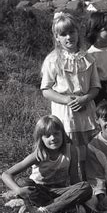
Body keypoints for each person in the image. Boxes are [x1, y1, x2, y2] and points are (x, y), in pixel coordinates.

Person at [41, 12, 101, 176]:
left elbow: (96, 87)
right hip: (65, 114)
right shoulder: (53, 60)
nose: (69, 37)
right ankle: (73, 184)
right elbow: (46, 90)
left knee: (89, 152)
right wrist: (66, 99)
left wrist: (85, 98)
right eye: (63, 34)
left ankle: (92, 185)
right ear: (57, 37)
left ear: (77, 32)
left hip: (86, 111)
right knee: (70, 152)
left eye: (72, 32)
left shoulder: (87, 58)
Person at [1, 115, 92, 213]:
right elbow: (6, 174)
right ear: (41, 139)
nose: (53, 138)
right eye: (47, 135)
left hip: (61, 191)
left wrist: (79, 192)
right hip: (40, 191)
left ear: (63, 134)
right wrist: (18, 190)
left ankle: (43, 210)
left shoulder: (71, 150)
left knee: (85, 186)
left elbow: (74, 178)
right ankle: (64, 207)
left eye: (56, 133)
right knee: (22, 182)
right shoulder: (37, 155)